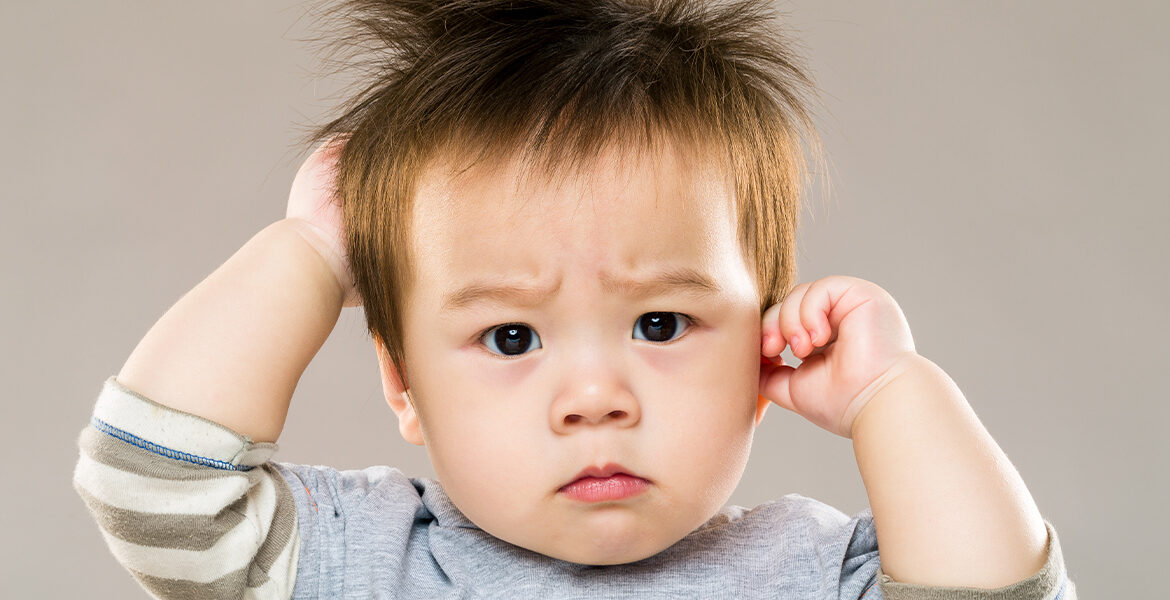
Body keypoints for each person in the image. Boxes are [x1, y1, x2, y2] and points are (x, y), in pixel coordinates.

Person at [72, 0, 1076, 597]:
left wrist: (893, 395)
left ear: (764, 354)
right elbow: (150, 482)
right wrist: (313, 249)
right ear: (404, 382)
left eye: (660, 324)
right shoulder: (363, 565)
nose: (595, 396)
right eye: (510, 336)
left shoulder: (804, 572)